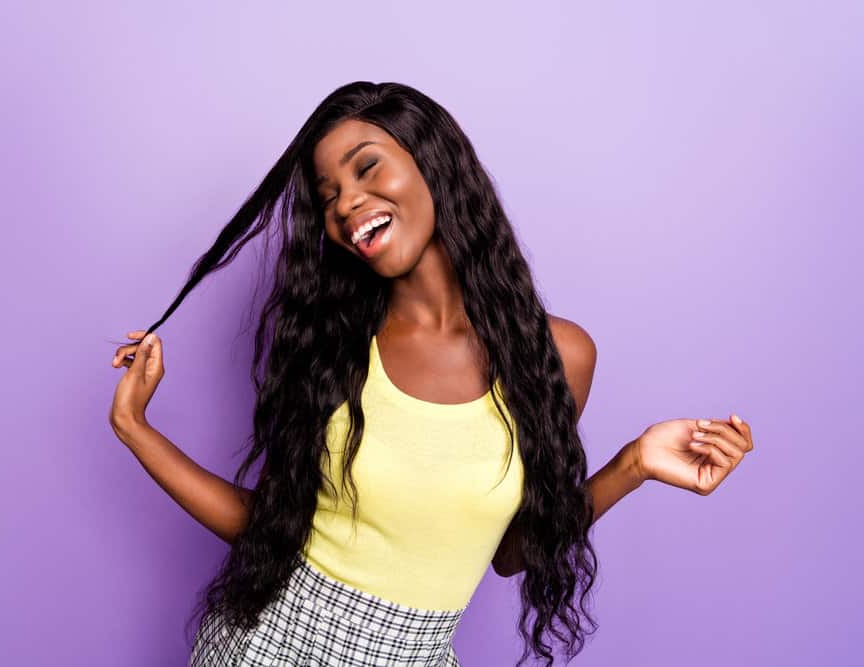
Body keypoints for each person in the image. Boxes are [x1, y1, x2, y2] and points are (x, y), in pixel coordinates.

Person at [107, 81, 755, 667]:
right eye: (328, 194)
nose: (346, 203)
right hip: (268, 647)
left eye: (366, 168)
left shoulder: (556, 355)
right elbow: (268, 527)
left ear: (435, 168)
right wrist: (135, 428)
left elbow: (508, 553)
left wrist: (634, 463)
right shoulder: (335, 347)